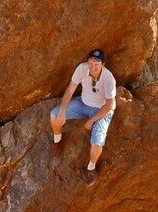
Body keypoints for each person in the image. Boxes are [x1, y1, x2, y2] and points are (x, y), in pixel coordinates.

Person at [49, 48, 117, 183]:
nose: (93, 67)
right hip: (83, 103)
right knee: (54, 115)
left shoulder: (108, 78)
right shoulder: (82, 68)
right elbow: (70, 89)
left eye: (97, 64)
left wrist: (92, 121)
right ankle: (57, 141)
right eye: (91, 63)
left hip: (101, 109)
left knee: (97, 143)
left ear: (103, 64)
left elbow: (109, 105)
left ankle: (91, 168)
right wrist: (62, 111)